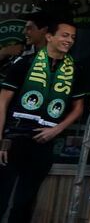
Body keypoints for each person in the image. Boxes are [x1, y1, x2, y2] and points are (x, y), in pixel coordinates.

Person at [0, 18, 84, 221]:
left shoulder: (75, 70)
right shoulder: (24, 63)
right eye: (65, 35)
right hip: (14, 139)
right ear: (49, 36)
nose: (69, 40)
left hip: (44, 141)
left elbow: (78, 108)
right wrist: (1, 140)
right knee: (1, 197)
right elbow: (2, 102)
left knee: (25, 202)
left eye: (73, 37)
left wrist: (56, 130)